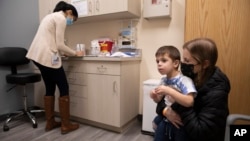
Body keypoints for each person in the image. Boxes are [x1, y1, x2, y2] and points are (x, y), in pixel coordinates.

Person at [26, 1, 83, 134]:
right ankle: (65, 125)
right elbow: (59, 44)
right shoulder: (61, 18)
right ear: (69, 12)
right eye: (73, 20)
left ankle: (50, 123)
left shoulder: (49, 16)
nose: (71, 22)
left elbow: (50, 41)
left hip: (38, 57)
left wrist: (61, 51)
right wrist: (75, 52)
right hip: (47, 57)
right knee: (64, 87)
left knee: (50, 87)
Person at [163, 38, 230, 141]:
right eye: (183, 59)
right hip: (183, 128)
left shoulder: (217, 90)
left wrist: (179, 101)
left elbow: (200, 132)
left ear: (205, 64)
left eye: (187, 60)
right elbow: (163, 99)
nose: (183, 64)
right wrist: (165, 111)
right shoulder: (191, 75)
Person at [150, 45, 197, 141]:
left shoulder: (184, 80)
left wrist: (169, 91)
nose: (159, 64)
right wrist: (154, 95)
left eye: (164, 60)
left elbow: (190, 101)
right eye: (157, 61)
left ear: (175, 63)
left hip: (180, 124)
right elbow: (159, 100)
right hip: (166, 119)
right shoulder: (163, 80)